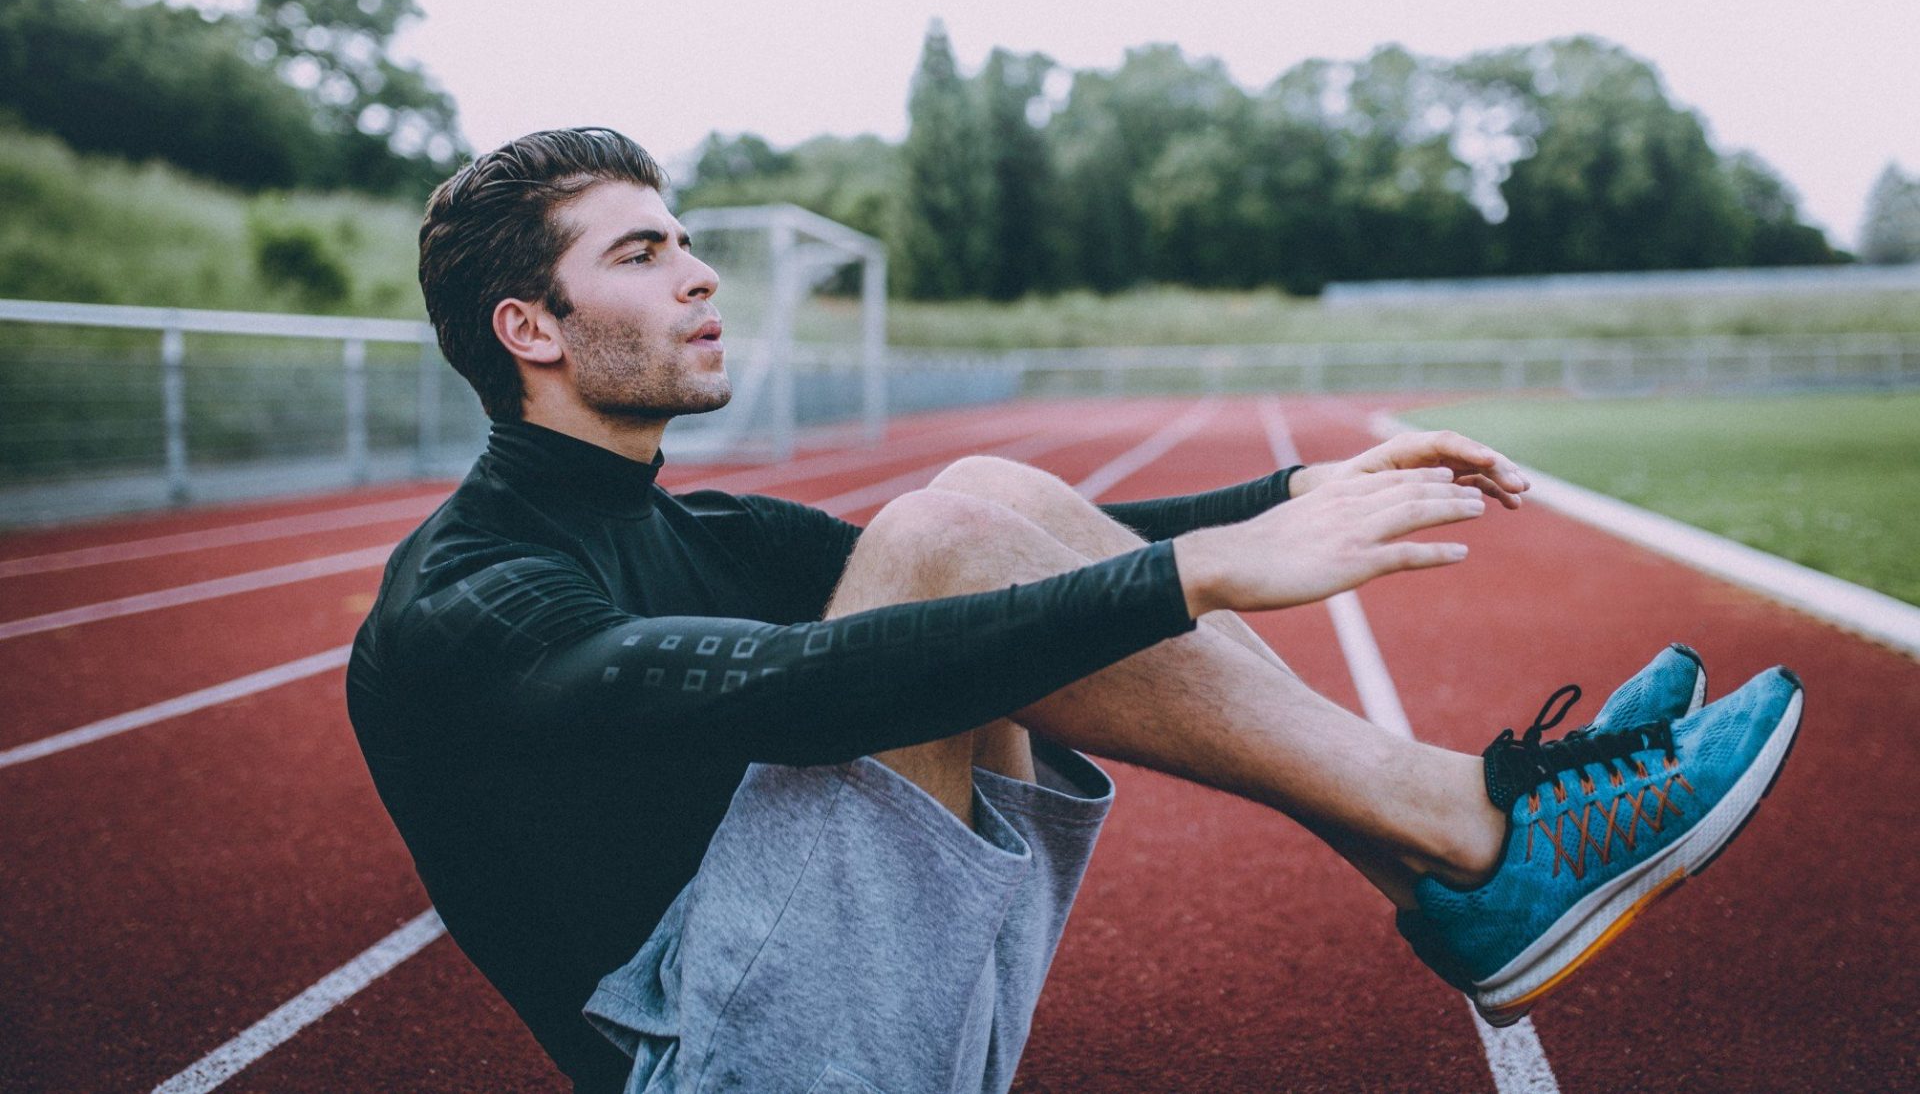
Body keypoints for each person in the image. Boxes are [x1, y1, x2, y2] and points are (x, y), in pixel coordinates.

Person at [346, 127, 1803, 1094]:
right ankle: (1474, 834)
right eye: (641, 254)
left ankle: (1467, 865)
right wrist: (1204, 577)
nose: (701, 270)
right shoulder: (468, 596)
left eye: (682, 239)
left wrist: (1286, 497)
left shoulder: (693, 527)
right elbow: (777, 692)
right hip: (729, 1066)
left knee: (978, 501)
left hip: (886, 1019)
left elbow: (1014, 559)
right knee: (944, 534)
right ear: (527, 330)